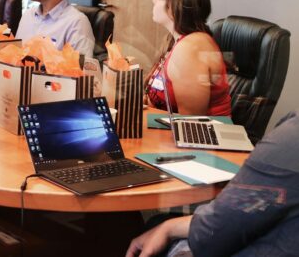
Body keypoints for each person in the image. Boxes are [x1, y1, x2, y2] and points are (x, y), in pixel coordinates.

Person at [126, 110, 299, 257]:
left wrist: (167, 228)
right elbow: (248, 210)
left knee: (154, 226)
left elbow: (213, 234)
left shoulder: (292, 139)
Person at [145, 0, 231, 116]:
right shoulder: (176, 41)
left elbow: (191, 123)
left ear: (173, 7)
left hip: (203, 135)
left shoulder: (191, 48)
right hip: (173, 129)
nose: (153, 0)